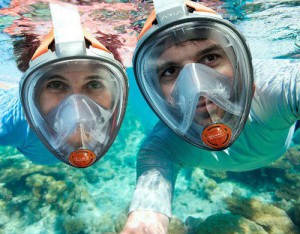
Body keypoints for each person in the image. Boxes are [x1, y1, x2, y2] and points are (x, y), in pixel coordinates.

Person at [121, 0, 300, 233]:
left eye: (210, 58)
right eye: (171, 71)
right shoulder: (162, 147)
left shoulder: (273, 90)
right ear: (156, 92)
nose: (197, 87)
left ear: (239, 64)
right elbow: (147, 215)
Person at [0, 3, 128, 168]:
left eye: (94, 84)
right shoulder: (13, 126)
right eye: (56, 84)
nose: (77, 111)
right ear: (33, 95)